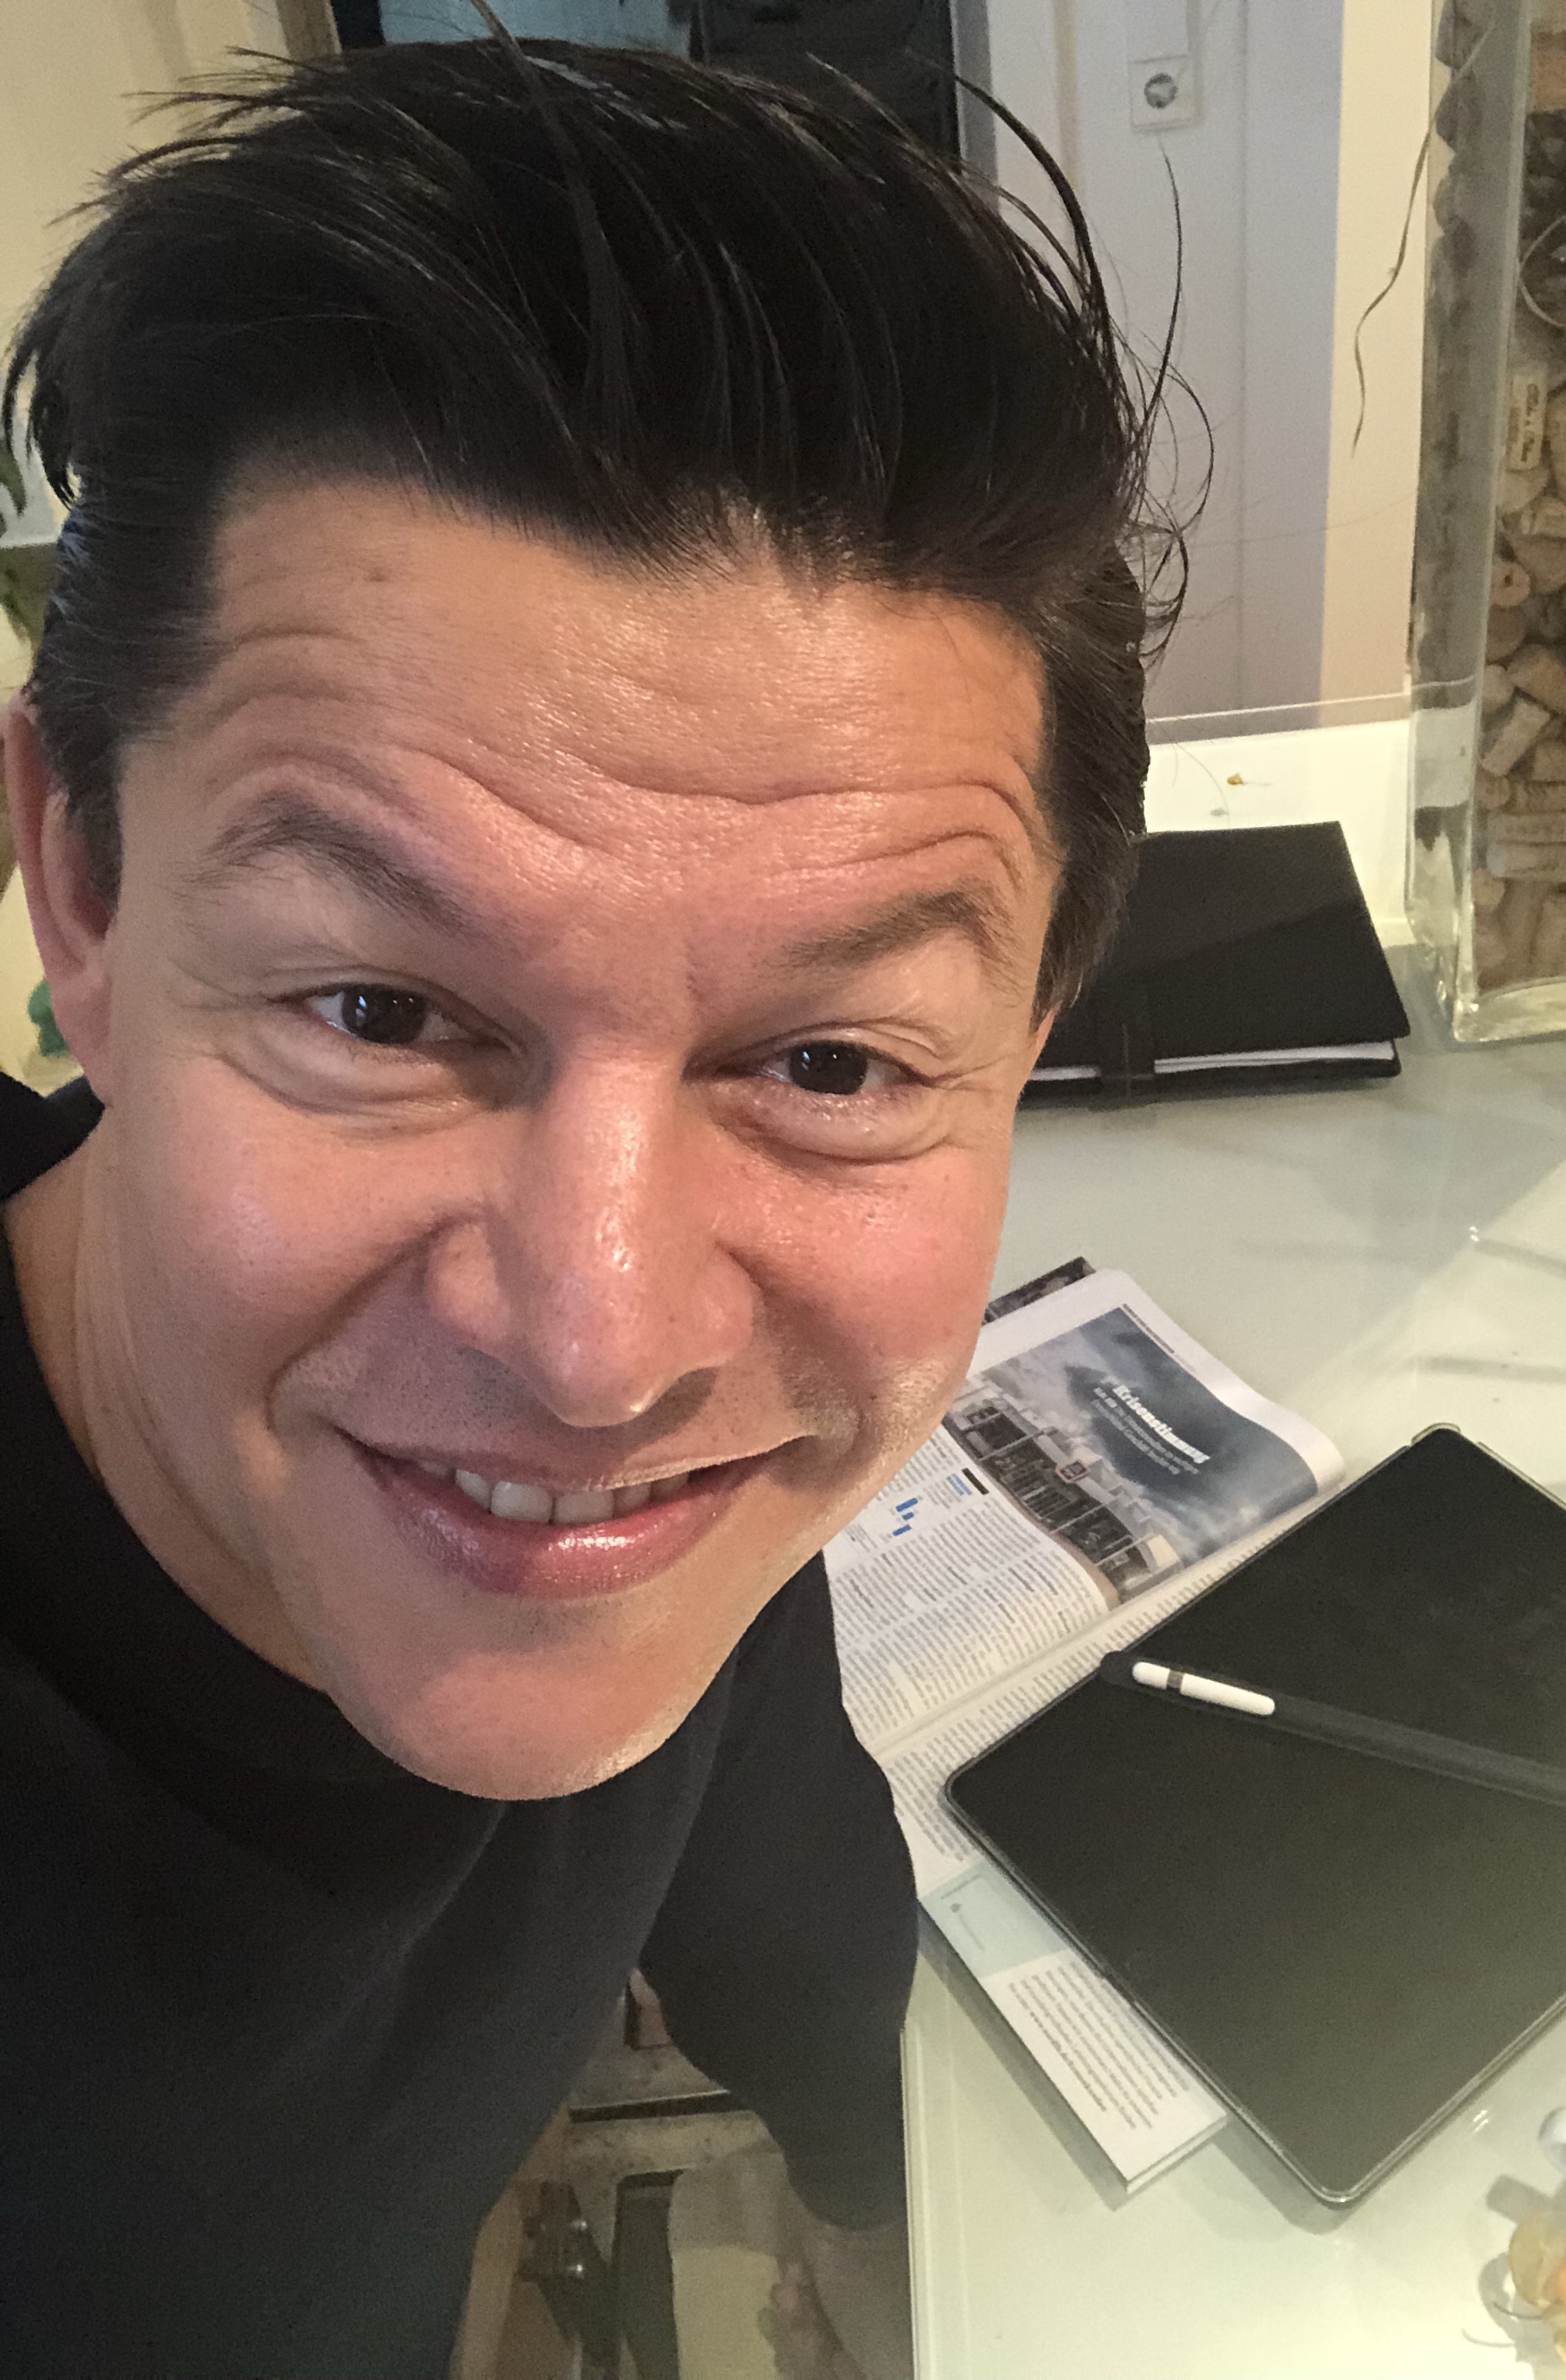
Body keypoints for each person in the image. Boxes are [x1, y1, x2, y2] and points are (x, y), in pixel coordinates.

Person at [0, 35, 1167, 2379]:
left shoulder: (679, 1473)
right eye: (378, 1011)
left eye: (828, 1065)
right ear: (81, 897)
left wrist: (884, 2214)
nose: (602, 1344)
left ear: (1029, 1034)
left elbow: (764, 1818)